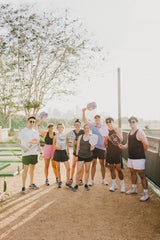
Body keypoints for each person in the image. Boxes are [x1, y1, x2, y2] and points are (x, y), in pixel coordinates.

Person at [119, 116, 149, 201]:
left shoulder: (140, 132)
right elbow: (127, 145)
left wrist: (141, 153)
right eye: (130, 122)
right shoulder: (129, 133)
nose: (131, 123)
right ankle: (134, 189)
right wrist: (123, 146)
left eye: (133, 122)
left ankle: (146, 194)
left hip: (139, 158)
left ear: (136, 122)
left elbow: (146, 144)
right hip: (131, 157)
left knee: (142, 175)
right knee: (132, 173)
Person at [82, 108, 108, 186]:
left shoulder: (103, 127)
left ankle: (103, 179)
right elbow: (85, 121)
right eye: (96, 119)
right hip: (94, 147)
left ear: (100, 120)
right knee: (93, 163)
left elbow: (106, 137)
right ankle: (92, 180)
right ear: (95, 120)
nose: (97, 121)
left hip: (102, 148)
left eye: (98, 119)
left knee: (102, 164)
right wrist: (83, 112)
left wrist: (105, 144)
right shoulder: (93, 126)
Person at [17, 116, 41, 194]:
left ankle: (31, 184)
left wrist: (40, 152)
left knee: (32, 170)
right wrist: (24, 148)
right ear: (27, 122)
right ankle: (23, 187)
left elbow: (38, 143)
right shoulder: (23, 131)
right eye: (30, 121)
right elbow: (18, 143)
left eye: (33, 122)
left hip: (34, 153)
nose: (32, 123)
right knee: (25, 170)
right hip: (26, 154)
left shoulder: (35, 132)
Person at [104, 117, 125, 192]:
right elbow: (105, 145)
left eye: (110, 122)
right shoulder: (106, 131)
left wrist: (116, 132)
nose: (108, 123)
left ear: (113, 122)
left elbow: (121, 139)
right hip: (109, 151)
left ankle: (122, 185)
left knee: (119, 169)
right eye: (107, 122)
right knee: (111, 168)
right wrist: (106, 139)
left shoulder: (117, 129)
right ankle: (114, 184)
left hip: (117, 151)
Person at [35, 121, 58, 186]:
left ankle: (57, 178)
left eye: (52, 126)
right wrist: (37, 124)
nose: (51, 128)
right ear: (47, 128)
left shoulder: (56, 134)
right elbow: (36, 130)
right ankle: (46, 179)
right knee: (46, 165)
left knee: (54, 166)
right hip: (47, 149)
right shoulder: (45, 133)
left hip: (53, 149)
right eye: (49, 126)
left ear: (53, 127)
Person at [73, 124, 95, 191]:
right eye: (85, 128)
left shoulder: (92, 137)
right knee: (78, 170)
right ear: (84, 129)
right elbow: (77, 147)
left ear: (89, 129)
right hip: (80, 155)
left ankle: (86, 184)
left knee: (87, 170)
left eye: (88, 128)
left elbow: (92, 147)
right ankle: (76, 184)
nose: (86, 129)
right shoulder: (80, 137)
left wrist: (92, 148)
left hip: (88, 156)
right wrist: (76, 155)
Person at [53, 123, 73, 190]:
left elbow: (67, 145)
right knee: (58, 168)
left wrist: (68, 153)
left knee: (68, 167)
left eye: (61, 127)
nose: (60, 128)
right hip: (57, 152)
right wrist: (58, 148)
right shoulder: (55, 136)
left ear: (63, 128)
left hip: (64, 152)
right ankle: (60, 181)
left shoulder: (65, 136)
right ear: (57, 128)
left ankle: (67, 183)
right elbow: (53, 146)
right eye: (59, 127)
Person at [69, 119, 84, 185]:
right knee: (73, 165)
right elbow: (74, 143)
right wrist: (78, 142)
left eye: (78, 125)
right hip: (75, 151)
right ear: (74, 125)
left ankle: (80, 179)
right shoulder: (72, 132)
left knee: (81, 166)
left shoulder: (83, 132)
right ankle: (71, 178)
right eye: (76, 125)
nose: (77, 126)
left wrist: (78, 142)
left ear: (80, 125)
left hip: (83, 151)